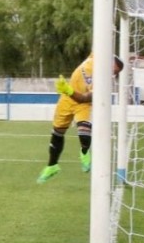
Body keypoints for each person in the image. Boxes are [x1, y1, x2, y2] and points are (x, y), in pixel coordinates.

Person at [36, 54, 125, 184]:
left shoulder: (103, 84)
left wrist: (68, 89)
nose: (112, 73)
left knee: (84, 134)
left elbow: (83, 98)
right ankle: (52, 166)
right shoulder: (96, 55)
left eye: (115, 72)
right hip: (66, 100)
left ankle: (84, 152)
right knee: (57, 133)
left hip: (81, 103)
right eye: (113, 69)